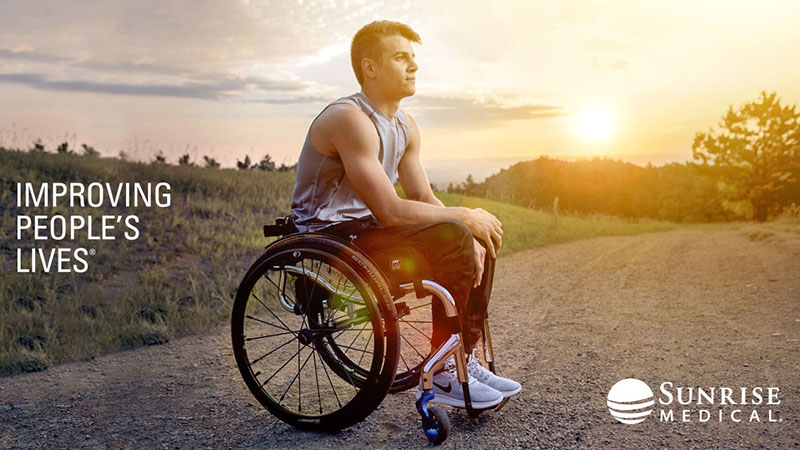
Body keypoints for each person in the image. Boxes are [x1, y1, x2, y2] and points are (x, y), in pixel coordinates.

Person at [289, 20, 520, 409]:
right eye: (401, 58)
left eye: (414, 58)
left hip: (368, 228)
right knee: (462, 229)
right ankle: (444, 371)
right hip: (331, 235)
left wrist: (469, 231)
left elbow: (421, 195)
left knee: (475, 233)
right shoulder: (349, 119)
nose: (414, 67)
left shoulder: (404, 125)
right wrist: (463, 220)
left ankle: (463, 355)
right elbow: (391, 210)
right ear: (370, 68)